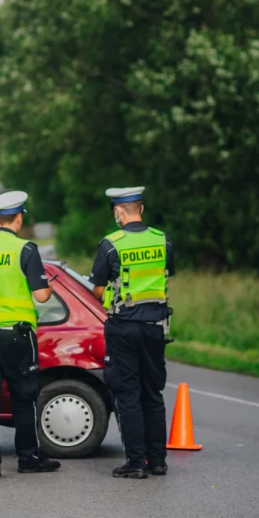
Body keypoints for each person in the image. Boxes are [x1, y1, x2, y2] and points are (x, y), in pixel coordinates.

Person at [0, 191, 61, 480]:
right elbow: (42, 295)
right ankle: (28, 458)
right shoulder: (26, 250)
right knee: (24, 397)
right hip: (17, 337)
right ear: (19, 219)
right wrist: (50, 286)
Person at [90, 187, 175, 479]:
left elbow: (98, 289)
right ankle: (158, 460)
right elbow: (165, 275)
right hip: (155, 327)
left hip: (123, 327)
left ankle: (136, 462)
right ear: (141, 208)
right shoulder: (162, 240)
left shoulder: (111, 244)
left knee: (128, 394)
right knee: (153, 392)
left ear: (118, 211)